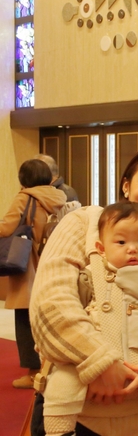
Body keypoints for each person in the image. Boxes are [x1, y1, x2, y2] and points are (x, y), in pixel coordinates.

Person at [30, 145, 138, 436]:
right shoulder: (84, 224)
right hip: (81, 416)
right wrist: (100, 362)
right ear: (126, 185)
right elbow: (50, 304)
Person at [0, 159, 67, 389]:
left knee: (25, 318)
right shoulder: (60, 197)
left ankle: (33, 372)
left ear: (24, 179)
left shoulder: (25, 197)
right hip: (52, 260)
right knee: (48, 316)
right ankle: (53, 365)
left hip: (29, 264)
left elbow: (7, 228)